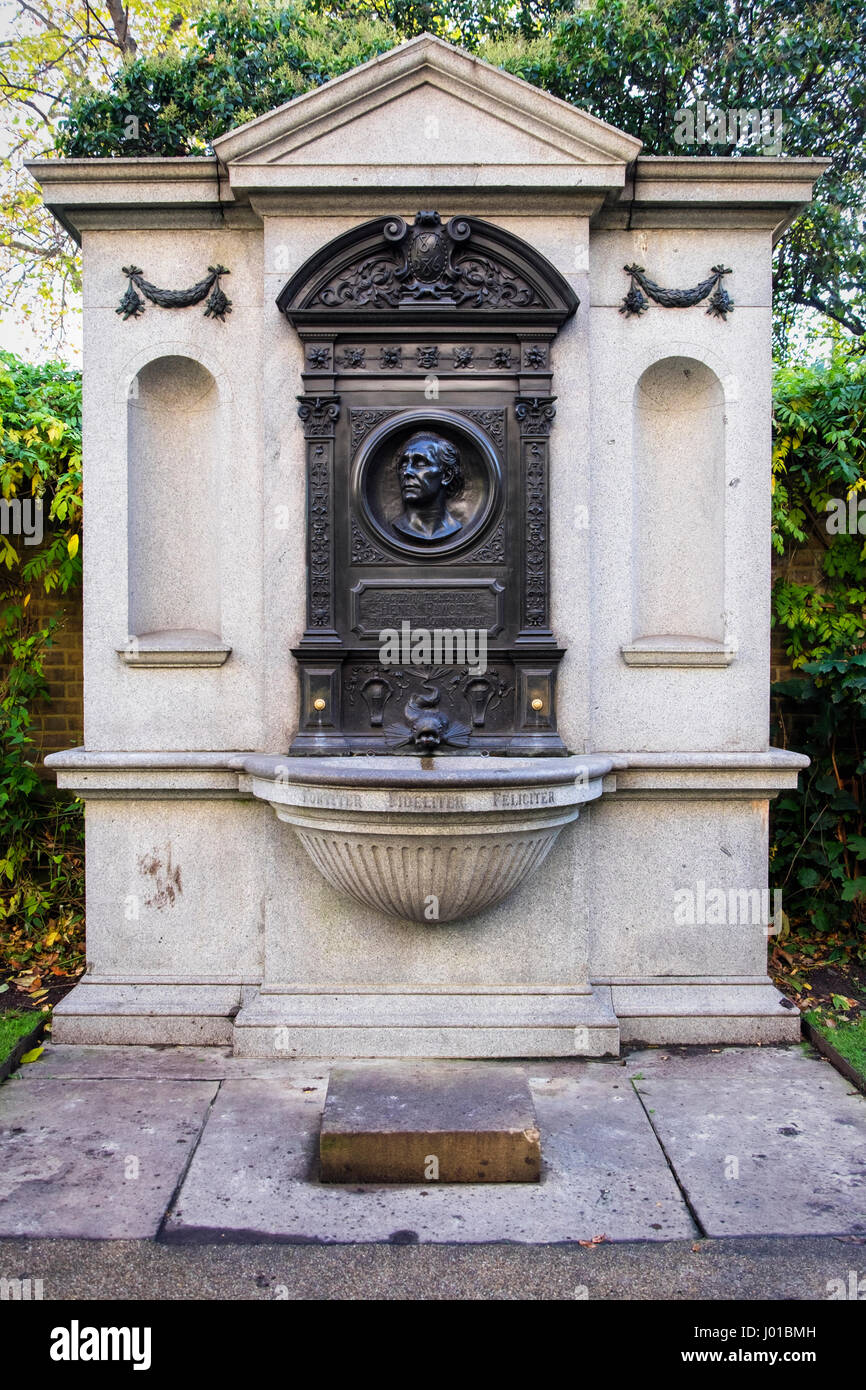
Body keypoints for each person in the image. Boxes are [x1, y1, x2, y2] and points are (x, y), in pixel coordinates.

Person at [393, 431, 464, 540]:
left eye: (420, 464)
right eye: (403, 464)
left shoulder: (455, 527)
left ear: (447, 476)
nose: (406, 472)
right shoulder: (398, 527)